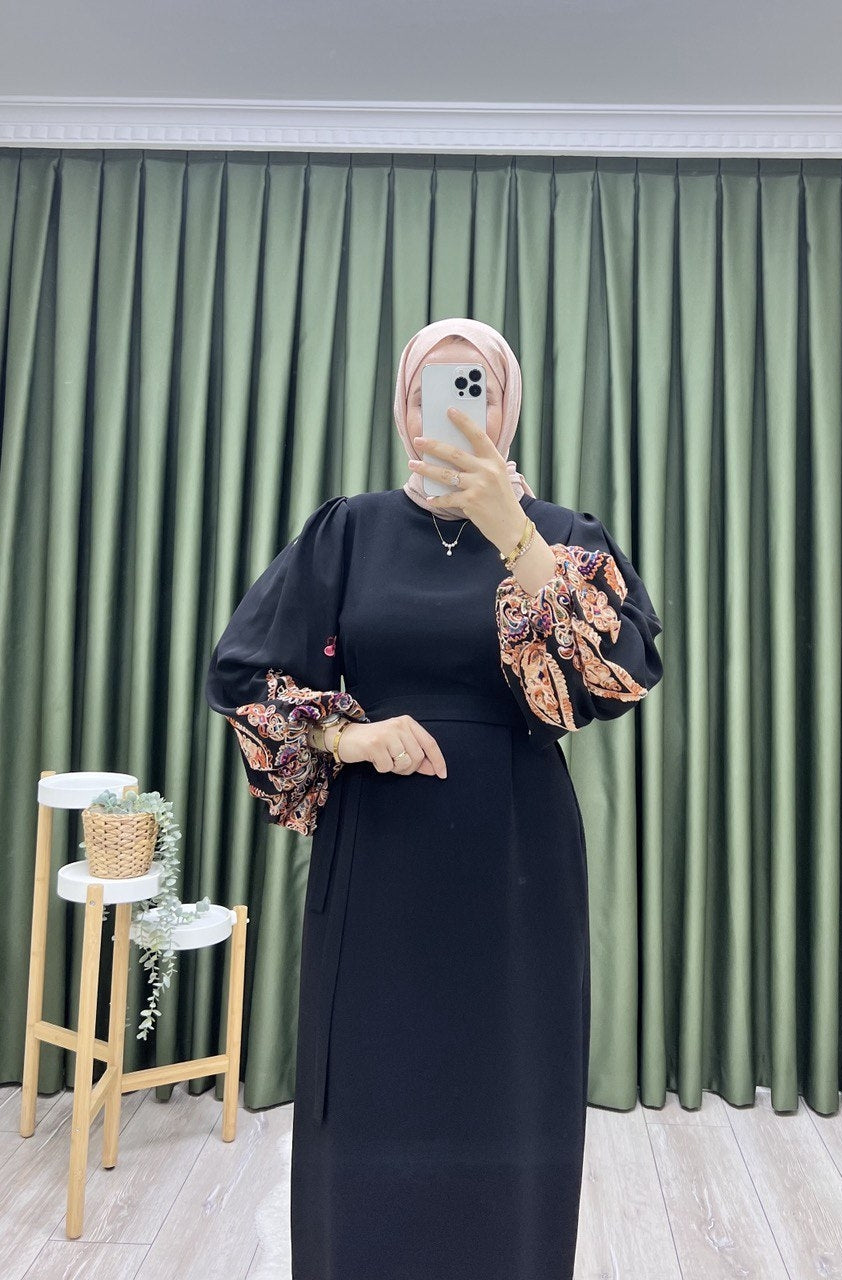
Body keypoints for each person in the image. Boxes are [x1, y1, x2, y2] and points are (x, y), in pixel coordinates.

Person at [205, 317, 664, 1280]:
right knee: (373, 1091)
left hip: (516, 862)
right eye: (430, 393)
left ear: (506, 407)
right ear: (403, 409)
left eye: (472, 391)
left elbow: (615, 674)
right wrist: (348, 735)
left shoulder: (565, 537)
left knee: (508, 1092)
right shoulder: (348, 531)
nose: (451, 413)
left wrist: (514, 533)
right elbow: (243, 675)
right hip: (377, 861)